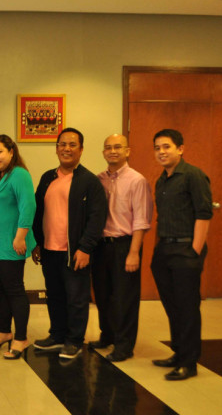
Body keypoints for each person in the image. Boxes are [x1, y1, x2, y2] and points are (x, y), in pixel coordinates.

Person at [32, 128, 107, 360]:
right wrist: (37, 243)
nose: (67, 148)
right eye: (62, 144)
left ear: (81, 149)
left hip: (74, 252)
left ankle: (74, 340)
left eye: (72, 144)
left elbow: (97, 217)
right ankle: (57, 335)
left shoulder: (89, 181)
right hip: (49, 250)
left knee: (76, 298)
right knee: (54, 295)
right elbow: (38, 212)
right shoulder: (47, 178)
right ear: (56, 148)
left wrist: (85, 248)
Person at [151, 129, 211, 380]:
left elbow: (204, 214)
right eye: (157, 148)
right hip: (164, 250)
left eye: (166, 147)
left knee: (187, 308)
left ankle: (189, 362)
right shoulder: (161, 180)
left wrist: (194, 251)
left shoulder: (193, 175)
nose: (161, 152)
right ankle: (178, 352)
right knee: (172, 307)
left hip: (186, 250)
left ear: (180, 149)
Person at [89, 134, 152, 362]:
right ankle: (108, 335)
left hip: (125, 245)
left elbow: (142, 221)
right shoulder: (98, 179)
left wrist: (134, 252)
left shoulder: (137, 181)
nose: (112, 151)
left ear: (128, 151)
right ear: (103, 152)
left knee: (125, 298)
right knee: (103, 295)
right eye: (108, 148)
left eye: (118, 147)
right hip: (101, 246)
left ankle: (124, 345)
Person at [0, 135, 36, 359]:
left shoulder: (19, 174)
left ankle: (21, 337)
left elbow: (28, 205)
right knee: (2, 290)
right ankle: (4, 331)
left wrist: (21, 236)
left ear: (11, 151)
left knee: (15, 290)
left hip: (12, 243)